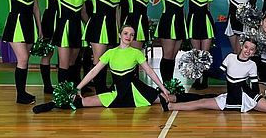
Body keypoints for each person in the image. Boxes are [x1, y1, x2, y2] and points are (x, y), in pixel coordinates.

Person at [33, 25, 170, 112]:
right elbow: (94, 71)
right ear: (120, 35)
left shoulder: (136, 53)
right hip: (116, 93)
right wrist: (78, 88)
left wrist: (162, 87)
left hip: (137, 92)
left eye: (132, 34)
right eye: (126, 33)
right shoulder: (110, 53)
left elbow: (149, 71)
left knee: (169, 98)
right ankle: (53, 105)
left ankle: (181, 98)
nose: (129, 37)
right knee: (84, 102)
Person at [166, 39, 266, 113]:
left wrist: (259, 98)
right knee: (201, 103)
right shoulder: (230, 58)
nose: (248, 51)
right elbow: (219, 74)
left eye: (252, 49)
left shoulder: (252, 65)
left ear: (254, 52)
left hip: (247, 98)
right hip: (229, 98)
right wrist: (203, 69)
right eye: (246, 47)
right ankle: (170, 106)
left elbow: (254, 88)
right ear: (241, 46)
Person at [84, 0, 120, 94]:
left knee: (109, 59)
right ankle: (100, 90)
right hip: (98, 25)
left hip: (112, 26)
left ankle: (107, 88)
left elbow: (117, 11)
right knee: (99, 60)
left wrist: (119, 29)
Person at [50, 0, 88, 85]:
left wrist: (90, 26)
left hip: (77, 27)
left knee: (73, 62)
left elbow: (83, 13)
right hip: (64, 27)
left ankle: (71, 89)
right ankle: (62, 91)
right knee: (64, 63)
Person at [155, 0, 187, 83]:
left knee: (173, 55)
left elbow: (182, 9)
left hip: (179, 24)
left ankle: (170, 82)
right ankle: (165, 84)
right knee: (167, 55)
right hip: (168, 23)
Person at [186, 0, 215, 89]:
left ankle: (205, 80)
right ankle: (197, 79)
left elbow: (208, 8)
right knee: (196, 53)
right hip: (193, 21)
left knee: (205, 54)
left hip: (206, 22)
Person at [38, 0, 59, 94]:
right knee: (47, 53)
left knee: (65, 53)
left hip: (63, 19)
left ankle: (65, 85)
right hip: (50, 19)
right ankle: (47, 85)